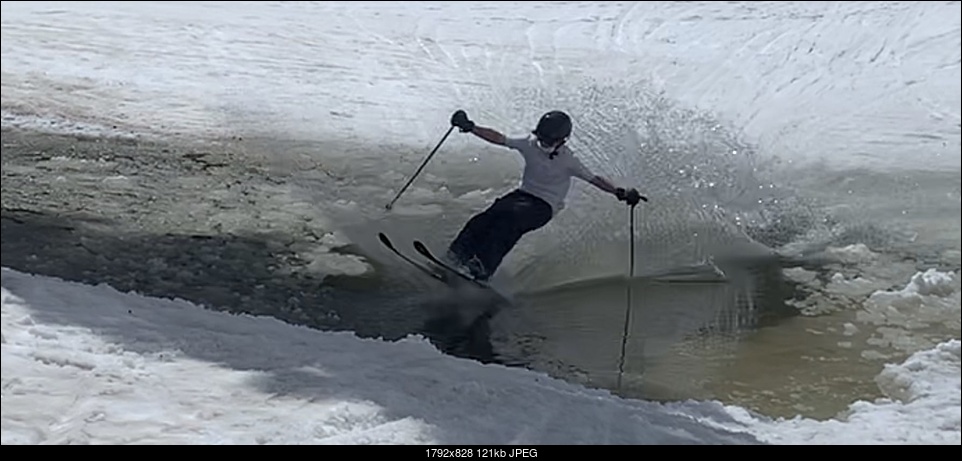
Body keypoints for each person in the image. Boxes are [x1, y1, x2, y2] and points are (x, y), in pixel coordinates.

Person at [443, 109, 645, 282]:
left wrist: (621, 193)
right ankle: (454, 258)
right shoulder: (529, 144)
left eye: (549, 140)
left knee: (508, 223)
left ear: (562, 140)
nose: (543, 142)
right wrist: (470, 126)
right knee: (484, 219)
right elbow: (499, 138)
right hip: (522, 195)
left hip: (544, 207)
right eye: (541, 137)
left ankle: (482, 270)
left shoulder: (568, 160)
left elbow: (594, 179)